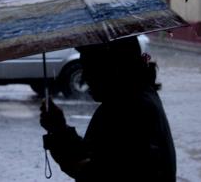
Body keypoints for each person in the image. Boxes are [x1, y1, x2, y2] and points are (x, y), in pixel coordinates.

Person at [40, 36, 176, 181]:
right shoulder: (137, 97)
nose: (85, 77)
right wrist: (59, 129)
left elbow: (94, 174)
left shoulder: (126, 110)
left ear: (113, 67)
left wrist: (59, 133)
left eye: (90, 67)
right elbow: (96, 154)